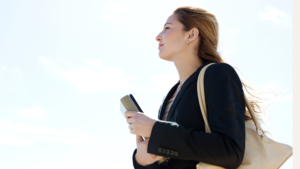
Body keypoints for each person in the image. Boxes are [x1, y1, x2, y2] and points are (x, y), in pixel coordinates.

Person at [125, 6, 259, 169]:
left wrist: (156, 129)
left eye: (167, 28)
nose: (158, 37)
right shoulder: (171, 95)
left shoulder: (218, 74)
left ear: (191, 34)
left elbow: (230, 151)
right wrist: (142, 160)